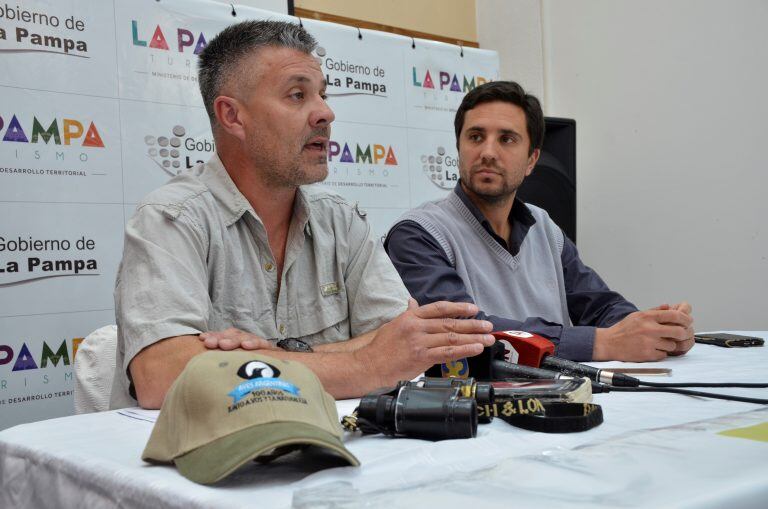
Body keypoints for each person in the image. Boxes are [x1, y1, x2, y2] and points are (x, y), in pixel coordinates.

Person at [110, 20, 495, 410]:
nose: (325, 113)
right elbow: (161, 375)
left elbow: (400, 343)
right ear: (232, 116)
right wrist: (363, 363)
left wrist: (264, 358)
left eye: (323, 95)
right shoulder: (171, 218)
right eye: (297, 95)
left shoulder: (342, 221)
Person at [385, 81, 694, 363]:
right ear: (459, 149)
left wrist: (658, 332)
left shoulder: (544, 227)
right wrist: (601, 343)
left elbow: (599, 305)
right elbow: (464, 334)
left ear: (532, 160)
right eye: (476, 137)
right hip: (476, 412)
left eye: (506, 139)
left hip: (562, 398)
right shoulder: (419, 234)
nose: (488, 152)